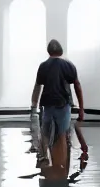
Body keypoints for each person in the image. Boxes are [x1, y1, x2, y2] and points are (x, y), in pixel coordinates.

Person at [31, 39, 84, 167]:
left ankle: (44, 158)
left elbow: (37, 87)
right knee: (62, 135)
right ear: (61, 51)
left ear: (49, 51)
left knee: (45, 133)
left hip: (47, 105)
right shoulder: (69, 65)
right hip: (63, 105)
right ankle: (62, 164)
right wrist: (81, 108)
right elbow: (77, 85)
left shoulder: (43, 66)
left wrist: (33, 105)